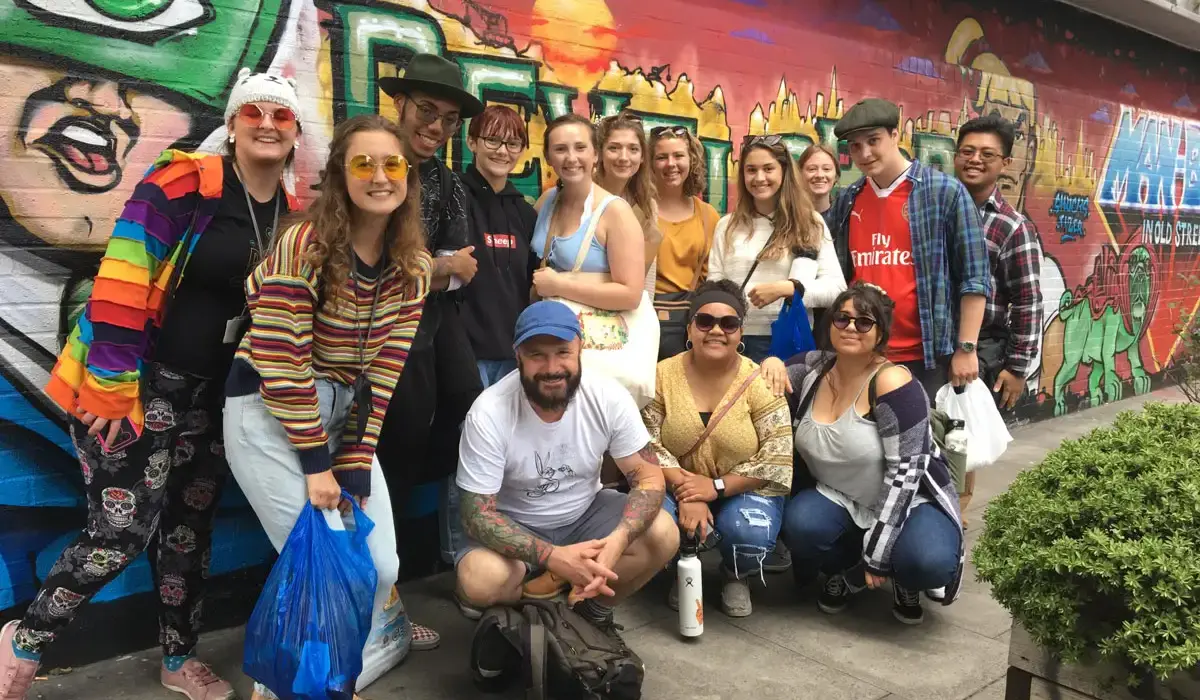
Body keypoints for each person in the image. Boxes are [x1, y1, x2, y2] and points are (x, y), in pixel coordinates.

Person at [0, 68, 304, 700]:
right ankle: (24, 641)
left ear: (297, 131)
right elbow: (124, 272)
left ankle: (177, 661)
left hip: (216, 394)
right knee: (121, 532)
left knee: (189, 533)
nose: (268, 124)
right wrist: (110, 385)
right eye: (256, 113)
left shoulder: (294, 213)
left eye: (282, 115)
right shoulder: (186, 182)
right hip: (137, 385)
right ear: (235, 123)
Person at [223, 115, 429, 700]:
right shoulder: (305, 245)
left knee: (380, 566)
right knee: (325, 567)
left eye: (393, 164)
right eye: (363, 163)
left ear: (409, 177)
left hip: (343, 417)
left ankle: (341, 666)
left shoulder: (412, 268)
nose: (380, 176)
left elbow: (385, 369)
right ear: (340, 174)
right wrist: (318, 466)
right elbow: (282, 359)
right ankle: (298, 686)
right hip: (267, 408)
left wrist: (357, 457)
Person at [453, 301, 679, 642]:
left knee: (664, 533)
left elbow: (648, 478)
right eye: (537, 355)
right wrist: (552, 556)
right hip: (517, 522)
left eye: (562, 352)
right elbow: (475, 514)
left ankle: (591, 613)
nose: (552, 367)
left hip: (584, 514)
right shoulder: (488, 411)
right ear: (517, 356)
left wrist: (617, 543)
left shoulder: (608, 396)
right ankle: (526, 620)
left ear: (580, 350)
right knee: (479, 580)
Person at [773, 283, 964, 625]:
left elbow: (905, 476)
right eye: (842, 318)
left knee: (927, 562)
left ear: (880, 334)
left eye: (864, 322)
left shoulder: (892, 382)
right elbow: (764, 382)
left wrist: (877, 553)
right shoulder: (812, 368)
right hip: (843, 496)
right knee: (800, 526)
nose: (850, 327)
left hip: (911, 501)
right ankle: (842, 569)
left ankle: (902, 577)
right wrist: (769, 363)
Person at [374, 53, 481, 613]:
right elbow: (376, 262)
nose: (436, 127)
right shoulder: (371, 163)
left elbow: (463, 266)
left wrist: (434, 269)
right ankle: (381, 587)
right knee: (395, 442)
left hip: (436, 324)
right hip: (383, 330)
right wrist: (434, 269)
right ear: (401, 105)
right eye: (426, 111)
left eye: (449, 119)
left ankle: (442, 551)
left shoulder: (449, 181)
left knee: (471, 406)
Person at [641, 279, 792, 617]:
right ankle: (684, 563)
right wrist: (689, 491)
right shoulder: (660, 376)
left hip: (740, 486)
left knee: (749, 531)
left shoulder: (761, 381)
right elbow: (646, 442)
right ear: (690, 327)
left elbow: (775, 458)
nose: (716, 331)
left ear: (741, 333)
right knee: (652, 523)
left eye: (729, 323)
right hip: (675, 481)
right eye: (705, 321)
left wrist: (714, 487)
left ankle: (736, 573)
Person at [826, 98, 991, 399]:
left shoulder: (944, 192)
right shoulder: (848, 199)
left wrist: (967, 348)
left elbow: (975, 278)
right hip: (862, 352)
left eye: (873, 141)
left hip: (923, 357)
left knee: (920, 444)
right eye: (854, 146)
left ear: (894, 135)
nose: (864, 153)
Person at [449, 105, 538, 563]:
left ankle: (504, 550)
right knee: (468, 459)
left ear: (523, 151)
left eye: (512, 143)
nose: (502, 151)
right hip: (466, 353)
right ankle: (461, 554)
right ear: (472, 142)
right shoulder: (452, 195)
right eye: (492, 140)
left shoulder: (523, 212)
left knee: (510, 457)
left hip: (513, 355)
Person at [953, 114, 1042, 525]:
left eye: (987, 154)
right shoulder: (933, 209)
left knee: (959, 441)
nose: (975, 160)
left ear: (1004, 163)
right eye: (968, 151)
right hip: (926, 338)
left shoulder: (1011, 226)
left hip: (979, 349)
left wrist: (1017, 367)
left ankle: (951, 520)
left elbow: (1027, 300)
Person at [707, 135, 845, 364]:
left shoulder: (810, 223)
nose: (759, 178)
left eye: (768, 169)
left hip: (788, 340)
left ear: (784, 171)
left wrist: (789, 289)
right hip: (733, 339)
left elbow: (836, 289)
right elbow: (714, 284)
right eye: (751, 170)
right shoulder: (727, 226)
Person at [531, 114, 646, 313]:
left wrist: (559, 285)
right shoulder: (546, 201)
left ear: (595, 155)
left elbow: (631, 296)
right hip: (546, 331)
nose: (571, 158)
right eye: (560, 149)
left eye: (580, 147)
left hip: (591, 337)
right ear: (548, 157)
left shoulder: (615, 212)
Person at [650, 125, 720, 359]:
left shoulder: (708, 215)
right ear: (650, 163)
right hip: (644, 320)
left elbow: (713, 276)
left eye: (678, 155)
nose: (671, 164)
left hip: (689, 326)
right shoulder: (638, 210)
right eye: (661, 157)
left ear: (691, 161)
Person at [595, 111, 663, 293]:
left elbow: (644, 281)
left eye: (633, 149)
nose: (623, 157)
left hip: (626, 308)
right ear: (600, 153)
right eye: (614, 148)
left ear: (642, 157)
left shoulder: (646, 205)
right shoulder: (584, 196)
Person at [797, 144, 840, 224]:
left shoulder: (844, 219)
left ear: (836, 176)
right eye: (812, 169)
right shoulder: (789, 218)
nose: (819, 175)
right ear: (799, 174)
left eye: (826, 169)